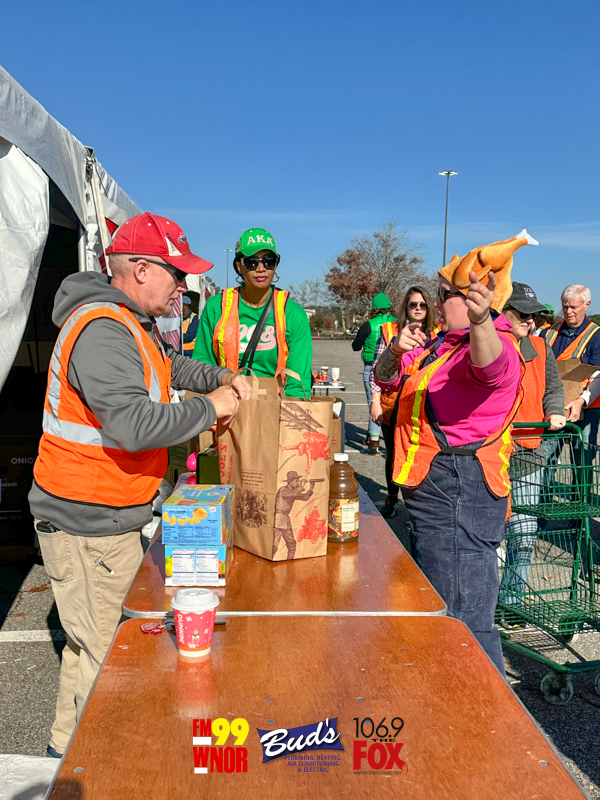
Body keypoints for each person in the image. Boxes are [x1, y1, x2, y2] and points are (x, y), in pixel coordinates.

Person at [29, 212, 252, 758]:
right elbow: (131, 424)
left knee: (87, 645)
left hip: (104, 515)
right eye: (178, 274)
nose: (183, 287)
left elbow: (171, 366)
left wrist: (222, 376)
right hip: (89, 522)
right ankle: (102, 766)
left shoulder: (132, 323)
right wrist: (210, 408)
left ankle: (64, 753)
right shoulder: (103, 329)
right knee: (113, 659)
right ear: (142, 269)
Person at [375, 231, 539, 676]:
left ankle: (480, 706)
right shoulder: (440, 346)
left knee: (463, 619)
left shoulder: (493, 343)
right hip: (434, 492)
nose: (434, 302)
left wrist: (482, 320)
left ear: (469, 300)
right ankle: (448, 695)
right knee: (439, 607)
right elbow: (387, 381)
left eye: (444, 294)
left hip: (460, 494)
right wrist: (394, 351)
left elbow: (490, 368)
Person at [498, 283, 565, 604]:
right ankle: (482, 599)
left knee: (523, 531)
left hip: (529, 452)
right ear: (503, 313)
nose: (530, 320)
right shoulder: (487, 348)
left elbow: (553, 388)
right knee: (488, 533)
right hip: (491, 454)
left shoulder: (540, 348)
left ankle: (511, 601)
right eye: (522, 314)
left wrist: (554, 411)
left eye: (533, 315)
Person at [193, 228, 312, 398]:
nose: (261, 268)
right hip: (225, 404)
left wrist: (289, 412)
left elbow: (298, 381)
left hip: (275, 406)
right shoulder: (216, 307)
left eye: (269, 261)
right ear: (239, 266)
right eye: (252, 262)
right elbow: (203, 365)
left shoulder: (293, 314)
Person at [368, 286, 437, 516]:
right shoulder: (390, 330)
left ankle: (417, 502)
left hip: (423, 403)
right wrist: (375, 401)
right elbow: (377, 367)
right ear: (405, 307)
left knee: (421, 453)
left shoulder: (438, 333)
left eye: (422, 305)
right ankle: (391, 496)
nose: (418, 308)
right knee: (393, 453)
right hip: (394, 400)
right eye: (413, 304)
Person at [540, 284, 600, 448]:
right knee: (546, 456)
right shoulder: (548, 333)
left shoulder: (596, 335)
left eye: (573, 307)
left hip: (587, 408)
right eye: (565, 307)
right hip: (553, 406)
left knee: (582, 457)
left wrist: (581, 401)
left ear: (587, 305)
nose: (568, 311)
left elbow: (597, 375)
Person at [351, 293, 397, 453]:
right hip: (395, 368)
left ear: (374, 308)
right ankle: (379, 436)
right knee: (392, 404)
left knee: (374, 402)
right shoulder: (397, 324)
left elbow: (356, 346)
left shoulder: (369, 325)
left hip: (372, 366)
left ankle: (373, 442)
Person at [273, 472, 318, 559]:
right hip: (279, 518)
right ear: (290, 482)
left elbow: (304, 497)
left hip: (285, 519)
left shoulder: (293, 491)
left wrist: (311, 489)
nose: (298, 483)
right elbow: (292, 494)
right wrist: (301, 487)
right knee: (274, 546)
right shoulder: (283, 490)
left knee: (292, 545)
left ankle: (290, 562)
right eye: (296, 481)